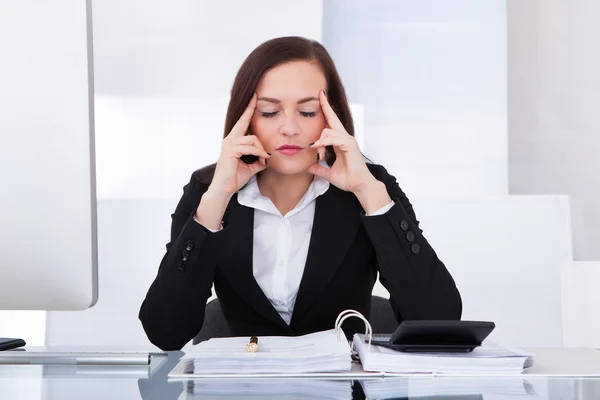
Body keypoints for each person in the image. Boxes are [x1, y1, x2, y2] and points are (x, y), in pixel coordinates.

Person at [139, 36, 462, 351]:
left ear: (330, 115)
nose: (289, 128)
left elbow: (438, 321)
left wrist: (369, 193)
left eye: (307, 112)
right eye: (269, 112)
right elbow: (165, 332)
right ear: (246, 118)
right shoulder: (208, 191)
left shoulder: (371, 186)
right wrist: (216, 200)